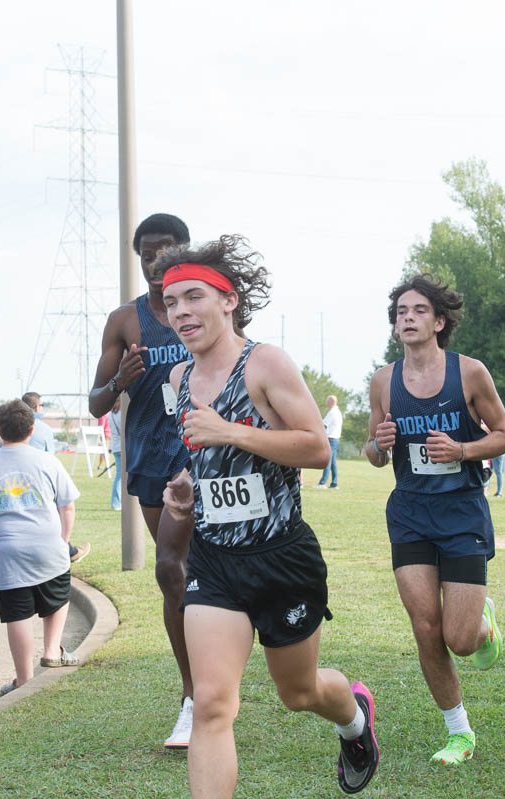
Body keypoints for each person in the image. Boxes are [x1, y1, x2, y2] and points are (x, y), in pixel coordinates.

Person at [157, 237, 380, 798]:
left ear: (228, 301)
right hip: (215, 559)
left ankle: (354, 719)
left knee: (298, 692)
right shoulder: (180, 379)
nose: (180, 311)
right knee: (211, 703)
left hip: (280, 555)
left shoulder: (265, 363)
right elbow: (209, 457)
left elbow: (317, 448)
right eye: (170, 302)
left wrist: (229, 431)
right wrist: (189, 488)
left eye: (193, 297)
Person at [365, 273, 505, 767]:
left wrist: (463, 449)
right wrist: (378, 446)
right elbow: (373, 452)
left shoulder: (469, 373)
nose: (407, 317)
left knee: (459, 639)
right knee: (425, 627)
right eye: (400, 312)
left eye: (418, 310)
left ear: (439, 320)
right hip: (409, 510)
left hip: (461, 509)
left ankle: (483, 625)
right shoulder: (383, 381)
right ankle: (459, 732)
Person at [86, 212, 196, 748]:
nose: (156, 261)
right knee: (179, 575)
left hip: (205, 454)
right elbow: (95, 403)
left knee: (175, 567)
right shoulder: (124, 321)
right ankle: (194, 692)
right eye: (146, 253)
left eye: (166, 249)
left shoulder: (203, 306)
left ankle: (198, 697)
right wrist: (120, 381)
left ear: (184, 250)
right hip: (151, 456)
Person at [0, 399, 82, 694]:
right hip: (47, 544)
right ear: (32, 428)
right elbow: (67, 506)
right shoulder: (47, 460)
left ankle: (24, 677)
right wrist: (64, 541)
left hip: (6, 549)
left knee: (17, 613)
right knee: (58, 594)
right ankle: (52, 650)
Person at [22, 391, 89, 563]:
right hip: (40, 482)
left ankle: (69, 549)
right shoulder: (42, 428)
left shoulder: (15, 424)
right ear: (37, 407)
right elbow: (50, 458)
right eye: (42, 406)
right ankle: (67, 549)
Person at [316, 395, 342, 489]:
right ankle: (334, 483)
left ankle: (322, 483)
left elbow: (324, 424)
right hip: (336, 439)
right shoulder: (338, 412)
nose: (326, 403)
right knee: (333, 462)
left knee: (328, 461)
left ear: (330, 402)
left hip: (331, 439)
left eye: (327, 401)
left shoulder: (332, 412)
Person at [108, 398, 123, 511]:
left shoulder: (111, 415)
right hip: (122, 447)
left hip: (116, 447)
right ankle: (116, 502)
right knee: (120, 476)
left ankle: (117, 502)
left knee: (119, 475)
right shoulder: (121, 414)